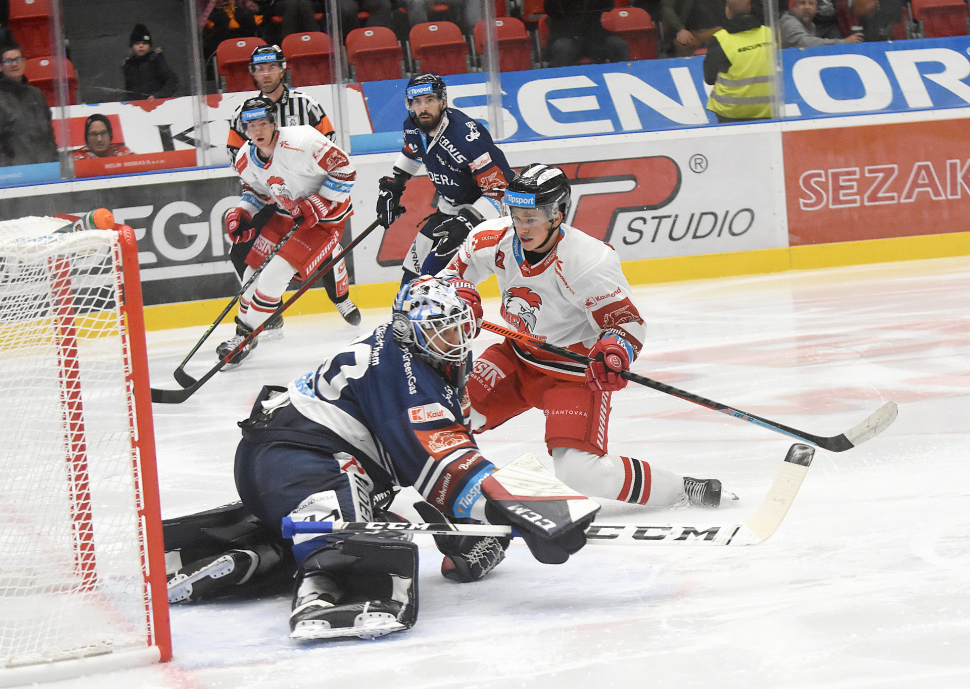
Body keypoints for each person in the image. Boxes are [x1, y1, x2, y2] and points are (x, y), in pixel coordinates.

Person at [163, 276, 598, 640]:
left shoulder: (401, 351)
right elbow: (445, 462)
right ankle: (324, 592)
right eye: (444, 331)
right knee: (370, 542)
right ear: (412, 330)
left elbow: (428, 475)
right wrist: (536, 509)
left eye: (462, 330)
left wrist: (476, 534)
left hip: (278, 464)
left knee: (344, 520)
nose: (458, 342)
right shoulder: (407, 372)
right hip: (306, 462)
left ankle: (249, 556)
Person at [438, 164, 730, 512]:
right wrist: (455, 295)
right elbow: (448, 280)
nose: (522, 226)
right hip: (517, 356)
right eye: (516, 215)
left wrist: (615, 351)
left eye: (533, 217)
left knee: (581, 475)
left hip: (574, 374)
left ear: (558, 213)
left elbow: (626, 324)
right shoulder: (491, 239)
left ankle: (682, 488)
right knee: (446, 414)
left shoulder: (587, 260)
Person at [218, 96, 357, 368]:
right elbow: (257, 190)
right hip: (286, 215)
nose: (257, 131)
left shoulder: (303, 141)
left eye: (262, 123)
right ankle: (248, 333)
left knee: (273, 277)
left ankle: (244, 336)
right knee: (250, 278)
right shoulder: (246, 157)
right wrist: (242, 212)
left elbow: (345, 168)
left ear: (274, 123)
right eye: (251, 125)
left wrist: (322, 201)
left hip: (325, 221)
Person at [227, 45, 361, 327]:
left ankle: (340, 297)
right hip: (274, 193)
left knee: (323, 244)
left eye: (271, 67)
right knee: (243, 251)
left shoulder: (306, 105)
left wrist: (319, 196)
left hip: (312, 190)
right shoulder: (244, 112)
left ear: (282, 68)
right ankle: (267, 315)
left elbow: (332, 148)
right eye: (259, 68)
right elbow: (237, 153)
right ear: (252, 72)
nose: (266, 73)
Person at [375, 73, 512, 285]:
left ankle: (442, 315)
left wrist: (469, 220)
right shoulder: (413, 126)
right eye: (417, 101)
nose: (423, 108)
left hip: (482, 215)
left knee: (433, 273)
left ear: (443, 101)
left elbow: (501, 190)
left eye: (429, 100)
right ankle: (402, 316)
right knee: (413, 270)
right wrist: (394, 187)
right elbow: (412, 152)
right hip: (448, 210)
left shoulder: (466, 136)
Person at [704, 0, 772, 123]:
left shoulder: (721, 39)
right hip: (768, 109)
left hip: (730, 112)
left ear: (728, 11)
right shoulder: (770, 33)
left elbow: (709, 78)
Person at [0, 42, 58, 167]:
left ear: (24, 62)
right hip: (15, 173)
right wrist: (7, 171)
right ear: (1, 67)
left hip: (46, 168)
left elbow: (49, 134)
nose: (14, 64)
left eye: (17, 59)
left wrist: (54, 161)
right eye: (8, 61)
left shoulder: (36, 94)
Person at [543, 0, 630, 67]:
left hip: (594, 36)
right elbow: (550, 8)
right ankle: (560, 85)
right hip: (565, 34)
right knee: (564, 48)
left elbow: (608, 5)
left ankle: (622, 84)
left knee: (618, 45)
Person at [122, 23, 179, 100]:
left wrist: (158, 96)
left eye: (145, 43)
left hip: (156, 105)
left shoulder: (155, 59)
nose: (141, 46)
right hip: (136, 107)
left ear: (150, 46)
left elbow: (172, 80)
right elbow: (128, 90)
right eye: (137, 43)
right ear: (132, 47)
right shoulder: (129, 65)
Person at [780, 0, 862, 47]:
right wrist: (844, 42)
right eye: (802, 3)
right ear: (792, 7)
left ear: (816, 8)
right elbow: (805, 43)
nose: (807, 7)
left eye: (811, 3)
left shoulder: (810, 25)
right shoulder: (789, 21)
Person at [660, 0, 726, 57]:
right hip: (690, 33)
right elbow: (667, 8)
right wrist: (680, 29)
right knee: (682, 43)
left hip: (715, 31)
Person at [70, 114, 135, 160]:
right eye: (94, 134)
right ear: (87, 137)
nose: (99, 139)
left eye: (103, 133)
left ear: (110, 134)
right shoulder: (76, 158)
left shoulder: (123, 151)